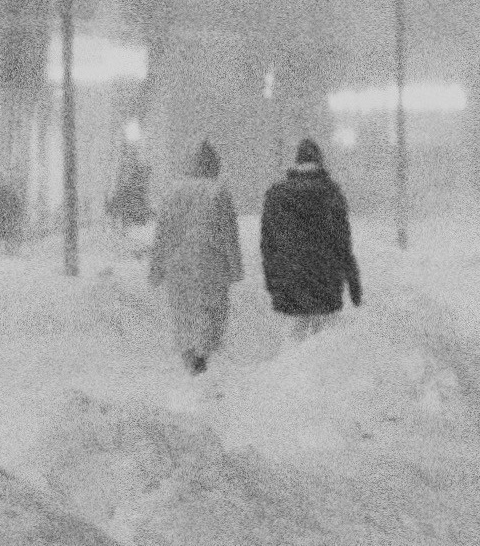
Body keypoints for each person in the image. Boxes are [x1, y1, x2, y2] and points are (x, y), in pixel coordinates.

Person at [149, 140, 242, 373]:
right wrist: (236, 267)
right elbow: (228, 234)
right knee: (211, 311)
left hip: (178, 264)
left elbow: (162, 234)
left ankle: (189, 354)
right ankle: (203, 357)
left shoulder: (172, 193)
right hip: (211, 262)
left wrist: (156, 269)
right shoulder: (218, 193)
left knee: (184, 311)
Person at [259, 137, 362, 338]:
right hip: (325, 278)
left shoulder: (276, 195)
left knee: (297, 331)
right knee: (322, 337)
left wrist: (273, 282)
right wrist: (354, 286)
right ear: (320, 162)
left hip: (290, 278)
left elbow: (268, 245)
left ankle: (291, 366)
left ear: (297, 163)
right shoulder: (331, 193)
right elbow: (343, 244)